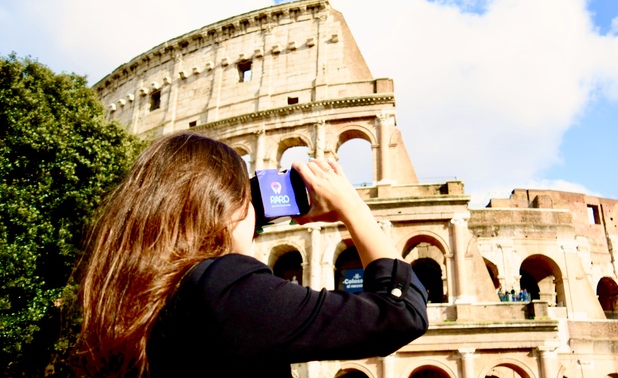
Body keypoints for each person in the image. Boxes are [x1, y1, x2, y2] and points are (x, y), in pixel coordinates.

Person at [73, 132, 428, 377]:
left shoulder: (128, 297)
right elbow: (401, 314)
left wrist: (250, 222)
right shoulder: (223, 289)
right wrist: (354, 208)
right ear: (223, 208)